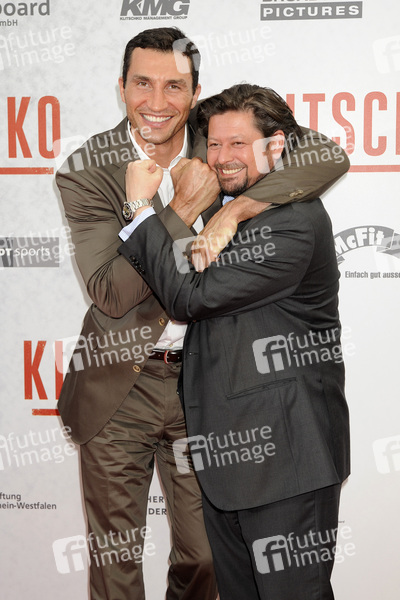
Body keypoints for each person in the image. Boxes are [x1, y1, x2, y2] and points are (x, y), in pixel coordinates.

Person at [56, 25, 349, 600]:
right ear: (122, 87)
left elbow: (327, 156)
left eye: (174, 86)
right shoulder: (88, 167)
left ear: (194, 92)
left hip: (207, 387)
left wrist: (237, 208)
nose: (157, 102)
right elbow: (110, 291)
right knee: (115, 562)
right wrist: (178, 209)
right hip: (119, 385)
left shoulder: (218, 139)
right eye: (143, 83)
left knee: (207, 559)